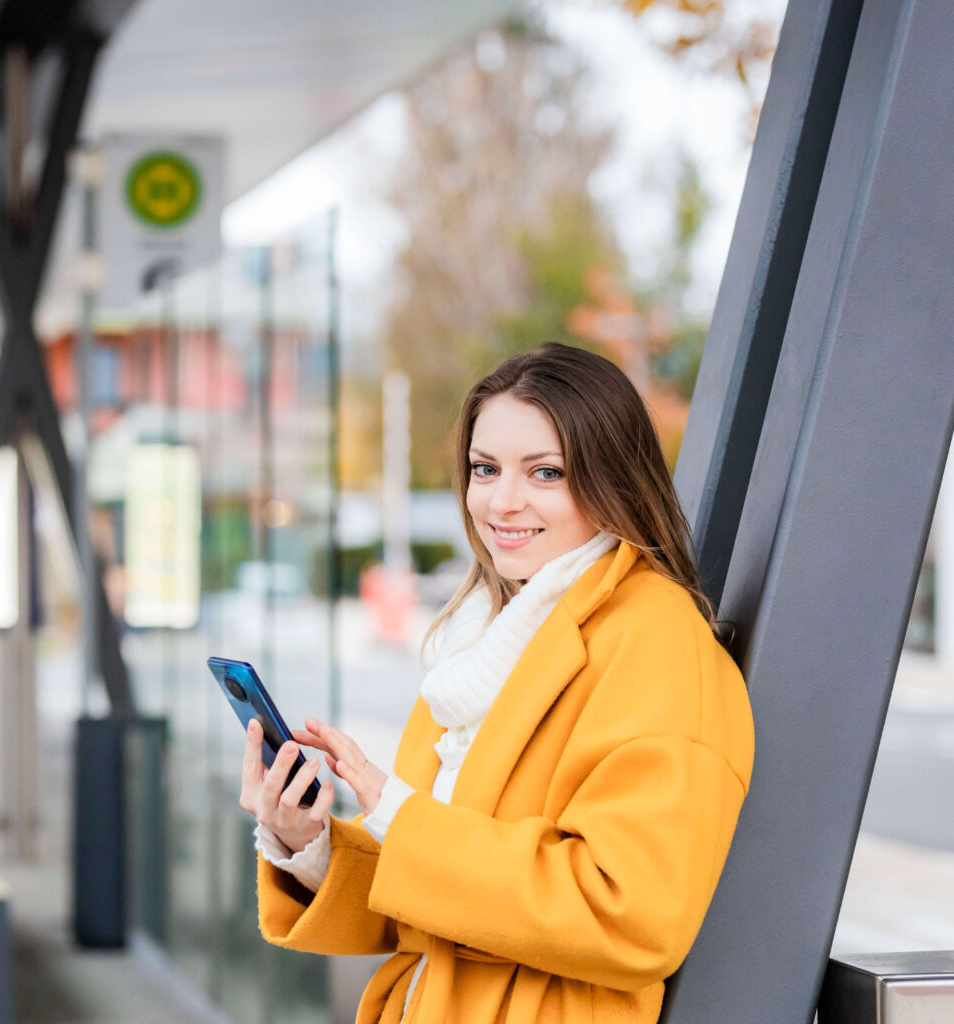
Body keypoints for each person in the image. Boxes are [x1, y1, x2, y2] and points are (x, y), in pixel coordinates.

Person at [239, 342, 754, 1024]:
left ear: (614, 479)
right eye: (485, 469)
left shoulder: (656, 641)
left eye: (545, 472)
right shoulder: (480, 640)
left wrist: (395, 809)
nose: (502, 502)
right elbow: (433, 896)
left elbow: (629, 914)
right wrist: (308, 843)